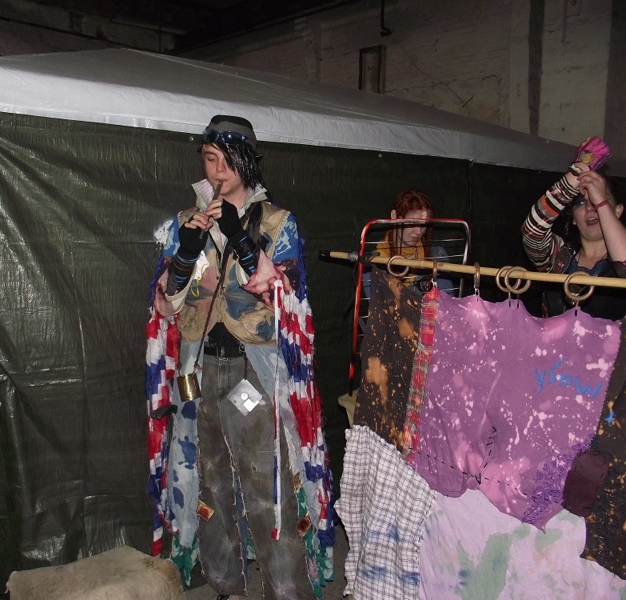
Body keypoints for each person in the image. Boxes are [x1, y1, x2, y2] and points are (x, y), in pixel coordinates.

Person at [145, 115, 333, 600]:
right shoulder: (185, 222)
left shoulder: (278, 222)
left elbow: (282, 295)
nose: (218, 171)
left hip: (255, 369)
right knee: (209, 479)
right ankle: (224, 583)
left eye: (228, 161)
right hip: (200, 365)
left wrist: (242, 239)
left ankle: (286, 590)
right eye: (210, 159)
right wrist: (186, 251)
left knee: (267, 481)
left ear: (247, 163)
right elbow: (168, 303)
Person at [521, 136, 626, 319]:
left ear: (617, 211)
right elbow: (532, 231)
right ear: (574, 219)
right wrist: (578, 172)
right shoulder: (559, 258)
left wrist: (601, 202)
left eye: (598, 199)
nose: (591, 207)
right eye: (582, 202)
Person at [363, 188, 456, 297]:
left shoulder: (437, 254)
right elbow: (380, 306)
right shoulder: (374, 261)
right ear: (394, 216)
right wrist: (399, 275)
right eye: (412, 223)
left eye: (424, 225)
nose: (419, 231)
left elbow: (448, 302)